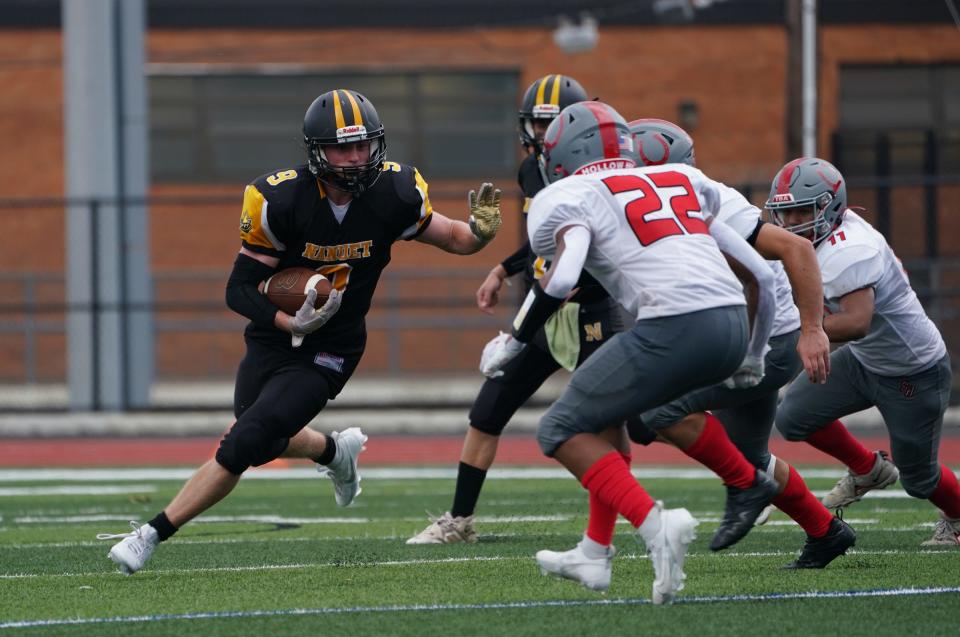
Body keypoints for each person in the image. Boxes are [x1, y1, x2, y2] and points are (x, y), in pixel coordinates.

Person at [97, 88, 504, 574]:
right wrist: (289, 319)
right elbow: (238, 289)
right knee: (265, 439)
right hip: (275, 337)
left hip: (332, 347)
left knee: (243, 442)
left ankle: (150, 535)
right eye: (342, 148)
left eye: (363, 146)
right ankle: (336, 451)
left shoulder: (395, 193)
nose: (355, 158)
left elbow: (453, 237)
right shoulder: (279, 199)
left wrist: (480, 234)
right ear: (316, 152)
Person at [534, 121, 852, 593]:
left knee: (653, 412)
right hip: (749, 336)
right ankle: (825, 530)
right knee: (749, 454)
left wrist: (811, 330)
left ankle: (730, 492)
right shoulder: (664, 201)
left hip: (762, 339)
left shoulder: (695, 201)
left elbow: (793, 248)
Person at [481, 100, 777, 604]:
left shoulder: (571, 193)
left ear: (561, 157)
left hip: (675, 325)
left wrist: (512, 339)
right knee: (603, 417)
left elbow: (566, 275)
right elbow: (763, 275)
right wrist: (752, 354)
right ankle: (594, 553)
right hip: (731, 325)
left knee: (558, 429)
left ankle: (653, 523)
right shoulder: (675, 178)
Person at [407, 74, 636, 545]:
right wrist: (504, 267)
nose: (542, 135)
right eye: (536, 124)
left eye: (552, 124)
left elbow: (600, 245)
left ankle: (633, 507)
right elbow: (546, 238)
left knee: (616, 421)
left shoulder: (600, 175)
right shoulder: (534, 170)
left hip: (595, 307)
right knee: (488, 410)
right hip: (546, 309)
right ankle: (460, 519)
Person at [768, 157, 960, 547]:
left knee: (919, 478)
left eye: (801, 211)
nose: (790, 224)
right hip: (865, 359)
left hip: (912, 370)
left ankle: (957, 514)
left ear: (830, 207)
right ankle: (867, 468)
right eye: (785, 213)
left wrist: (799, 330)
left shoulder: (851, 247)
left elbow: (857, 322)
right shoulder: (816, 239)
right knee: (793, 417)